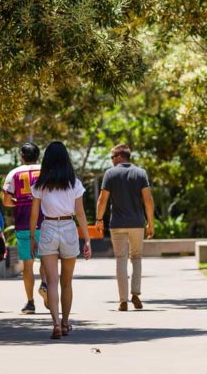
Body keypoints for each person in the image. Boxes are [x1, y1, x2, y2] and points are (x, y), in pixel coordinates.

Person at [30, 141, 92, 340]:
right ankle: (65, 323)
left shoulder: (40, 185)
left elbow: (34, 214)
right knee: (67, 282)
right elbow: (80, 213)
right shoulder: (74, 183)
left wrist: (32, 237)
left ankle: (55, 323)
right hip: (68, 228)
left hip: (48, 227)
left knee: (52, 281)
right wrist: (88, 239)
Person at [95, 143, 154, 311]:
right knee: (136, 257)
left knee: (121, 259)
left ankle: (123, 300)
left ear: (120, 156)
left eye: (112, 157)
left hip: (118, 224)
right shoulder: (140, 173)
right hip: (137, 223)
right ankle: (135, 294)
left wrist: (99, 219)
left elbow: (102, 199)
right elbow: (148, 200)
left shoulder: (110, 174)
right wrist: (150, 223)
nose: (111, 160)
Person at [2, 142, 48, 313]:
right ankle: (45, 285)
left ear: (22, 156)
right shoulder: (46, 171)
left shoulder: (13, 173)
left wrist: (20, 202)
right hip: (45, 221)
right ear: (38, 155)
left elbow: (6, 201)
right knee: (45, 259)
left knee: (27, 265)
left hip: (23, 223)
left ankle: (30, 303)